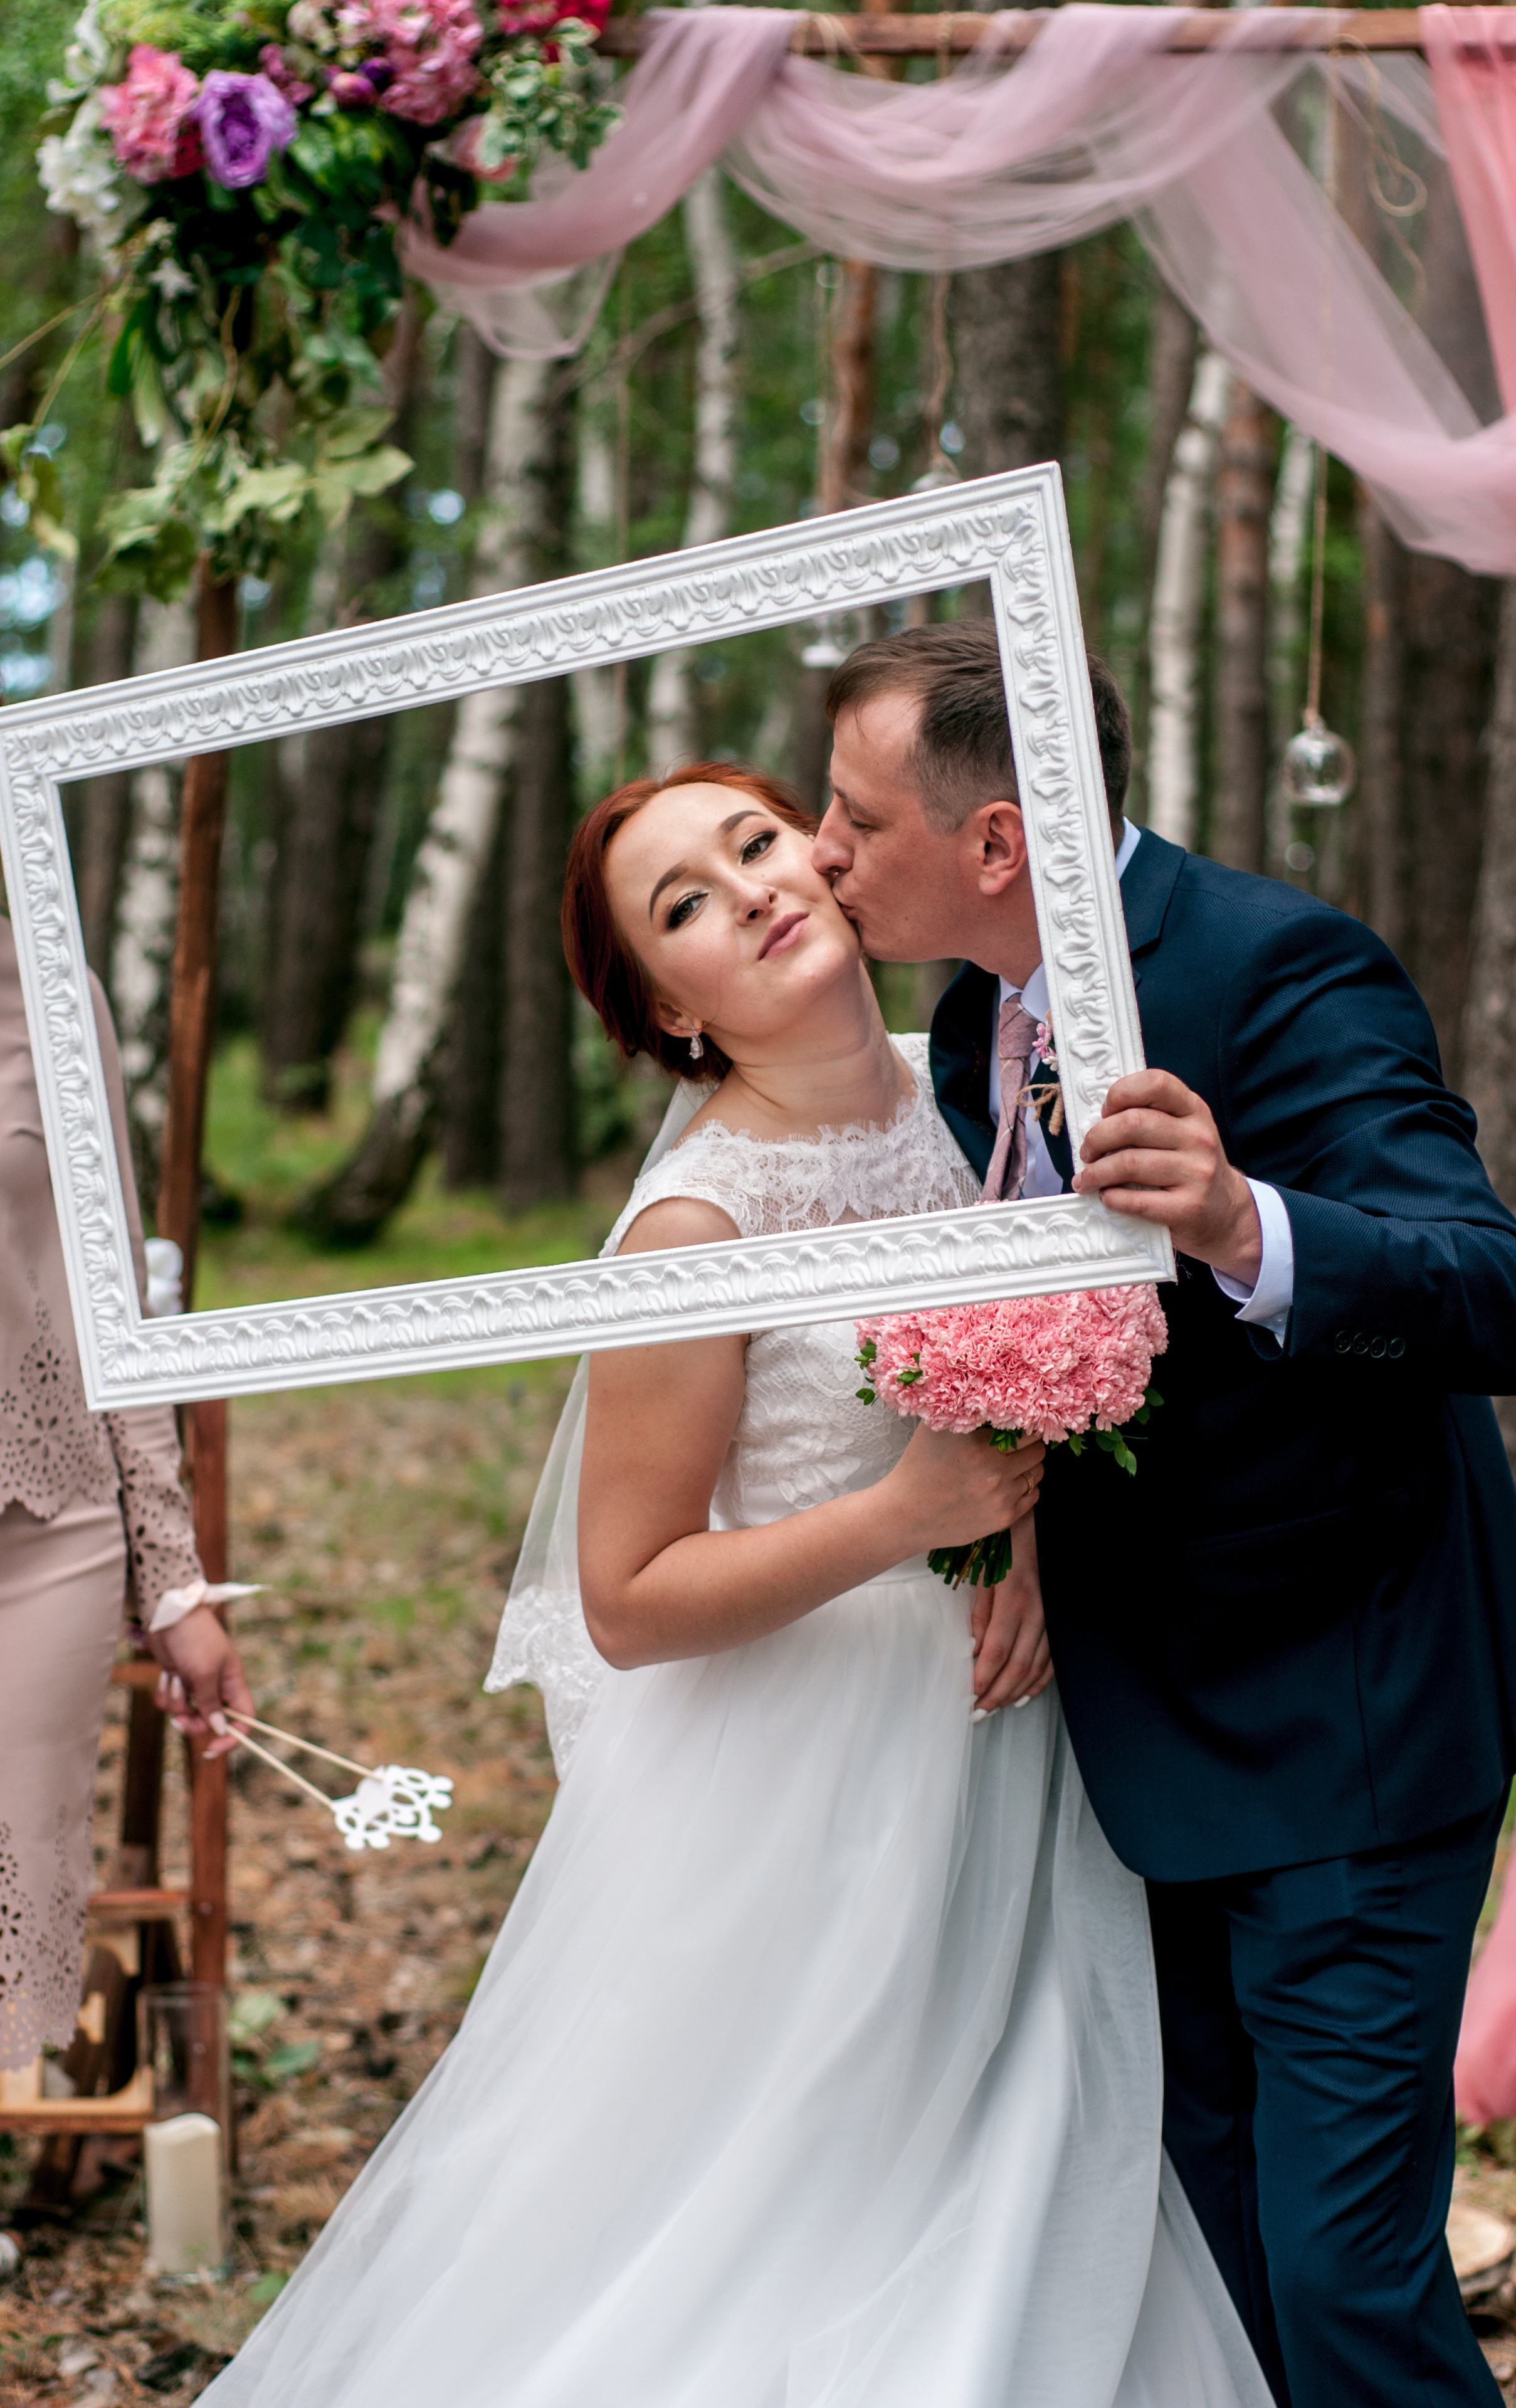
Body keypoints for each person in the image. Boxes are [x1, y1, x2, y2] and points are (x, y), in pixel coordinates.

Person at [199, 764, 1271, 2408]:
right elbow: (623, 1594)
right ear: (664, 1009)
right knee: (791, 2213)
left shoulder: (968, 1088)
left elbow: (1026, 1383)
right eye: (683, 905)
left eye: (756, 843)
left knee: (1025, 2160)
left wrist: (1024, 1544)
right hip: (801, 1778)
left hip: (1001, 1735)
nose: (751, 891)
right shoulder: (693, 1224)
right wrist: (910, 1517)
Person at [811, 618, 1516, 2408]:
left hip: (1348, 1712)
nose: (824, 851)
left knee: (1338, 2278)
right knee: (1207, 2239)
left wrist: (1246, 1225)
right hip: (1136, 1731)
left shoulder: (1272, 965)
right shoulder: (964, 1027)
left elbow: (1499, 1307)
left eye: (854, 818)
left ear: (994, 842)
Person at [0, 912, 253, 2079]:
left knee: (21, 1877)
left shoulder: (50, 988)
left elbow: (112, 1294)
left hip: (48, 1525)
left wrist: (174, 1584)